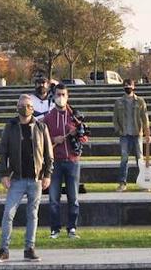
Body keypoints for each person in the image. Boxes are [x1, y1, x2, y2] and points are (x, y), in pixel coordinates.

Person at [0, 95, 53, 263]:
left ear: (32, 108)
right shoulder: (10, 126)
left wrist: (47, 174)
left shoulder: (41, 127)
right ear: (17, 107)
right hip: (17, 179)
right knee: (8, 214)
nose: (24, 108)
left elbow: (49, 155)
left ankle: (29, 248)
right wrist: (4, 174)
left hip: (35, 179)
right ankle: (4, 250)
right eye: (21, 105)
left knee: (33, 215)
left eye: (27, 105)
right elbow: (2, 152)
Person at [44, 83, 86, 239]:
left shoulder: (74, 116)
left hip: (72, 162)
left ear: (67, 96)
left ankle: (72, 228)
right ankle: (55, 229)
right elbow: (41, 139)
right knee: (54, 198)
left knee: (73, 198)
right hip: (55, 163)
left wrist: (76, 133)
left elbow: (84, 137)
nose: (61, 97)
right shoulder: (48, 118)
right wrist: (53, 139)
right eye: (58, 94)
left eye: (63, 95)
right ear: (54, 96)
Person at [113, 79, 151, 192]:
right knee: (124, 159)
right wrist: (118, 130)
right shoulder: (118, 102)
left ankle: (144, 183)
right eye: (125, 85)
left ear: (134, 87)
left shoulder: (140, 101)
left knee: (140, 159)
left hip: (137, 133)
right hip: (124, 134)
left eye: (129, 85)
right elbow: (115, 118)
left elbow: (145, 118)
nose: (127, 87)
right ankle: (122, 183)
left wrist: (147, 132)